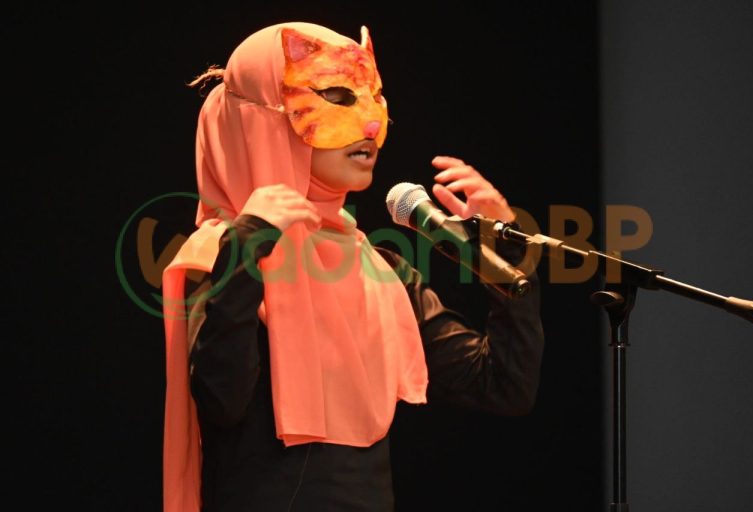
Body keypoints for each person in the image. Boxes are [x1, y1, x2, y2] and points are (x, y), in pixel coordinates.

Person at [161, 21, 545, 512]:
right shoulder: (221, 254)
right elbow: (222, 401)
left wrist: (504, 249)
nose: (370, 125)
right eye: (337, 96)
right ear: (263, 122)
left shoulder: (381, 272)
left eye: (374, 97)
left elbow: (503, 385)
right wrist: (248, 243)